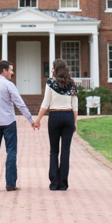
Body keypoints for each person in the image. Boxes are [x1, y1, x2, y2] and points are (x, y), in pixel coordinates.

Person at [0, 59, 36, 192]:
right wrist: (30, 119)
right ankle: (10, 184)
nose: (13, 72)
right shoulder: (8, 85)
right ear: (4, 71)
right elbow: (20, 103)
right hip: (8, 123)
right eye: (11, 70)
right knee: (11, 152)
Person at [32, 58, 78, 191]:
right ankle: (63, 184)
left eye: (52, 67)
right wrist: (74, 122)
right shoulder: (72, 84)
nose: (51, 69)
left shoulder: (50, 83)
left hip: (55, 116)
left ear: (56, 69)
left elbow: (46, 103)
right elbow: (75, 106)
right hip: (68, 116)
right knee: (65, 151)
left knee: (54, 151)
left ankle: (54, 183)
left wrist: (38, 119)